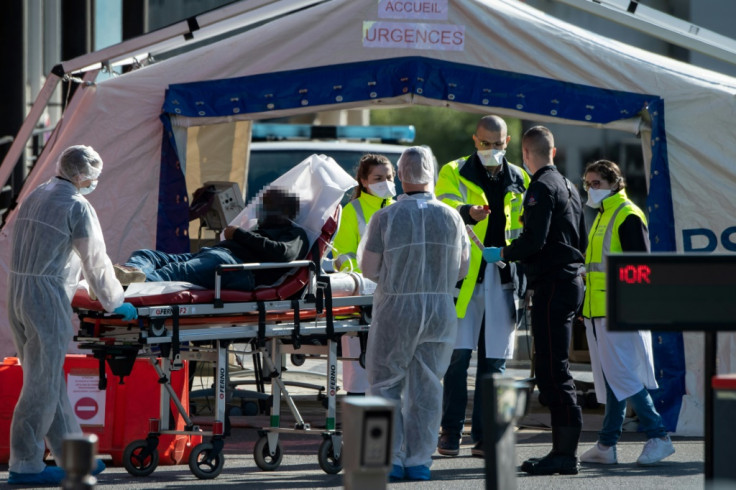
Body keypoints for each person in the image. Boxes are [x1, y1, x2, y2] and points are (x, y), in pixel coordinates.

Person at [7, 145, 137, 486]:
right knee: (42, 384)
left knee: (48, 381)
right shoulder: (77, 206)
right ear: (82, 174)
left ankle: (73, 457)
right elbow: (95, 259)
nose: (95, 181)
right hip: (45, 300)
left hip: (18, 293)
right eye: (93, 175)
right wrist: (114, 301)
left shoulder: (38, 193)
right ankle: (25, 463)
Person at [359, 146, 470, 481]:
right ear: (432, 173)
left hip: (396, 309)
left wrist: (398, 280)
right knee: (427, 386)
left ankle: (387, 459)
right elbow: (462, 268)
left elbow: (368, 268)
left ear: (402, 174)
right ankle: (419, 461)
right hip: (439, 311)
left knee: (384, 384)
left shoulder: (386, 217)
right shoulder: (452, 216)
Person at [484, 126, 587, 475]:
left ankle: (564, 453)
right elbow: (580, 239)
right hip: (570, 281)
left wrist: (503, 253)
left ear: (525, 155)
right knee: (554, 367)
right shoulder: (569, 186)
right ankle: (563, 451)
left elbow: (534, 241)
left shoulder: (540, 187)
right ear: (553, 152)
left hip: (554, 285)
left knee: (552, 370)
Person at [434, 115, 529, 457]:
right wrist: (464, 211)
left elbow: (526, 229)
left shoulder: (520, 177)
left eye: (498, 144)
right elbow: (440, 207)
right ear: (475, 140)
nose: (492, 149)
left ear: (507, 143)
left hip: (504, 277)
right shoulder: (454, 170)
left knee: (495, 364)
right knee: (458, 359)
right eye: (485, 143)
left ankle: (487, 437)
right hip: (464, 278)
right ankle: (451, 431)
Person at [578, 160, 675, 466]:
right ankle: (607, 445)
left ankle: (659, 436)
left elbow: (641, 268)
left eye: (596, 184)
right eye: (587, 184)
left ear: (614, 183)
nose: (590, 190)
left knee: (623, 376)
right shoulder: (604, 215)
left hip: (618, 310)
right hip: (601, 310)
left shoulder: (626, 214)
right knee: (611, 378)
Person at [115, 188, 309, 289]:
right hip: (216, 256)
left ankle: (126, 289)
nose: (265, 210)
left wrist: (238, 234)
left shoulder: (295, 234)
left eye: (271, 205)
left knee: (175, 271)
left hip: (235, 266)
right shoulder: (258, 227)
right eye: (265, 205)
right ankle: (130, 275)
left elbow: (283, 254)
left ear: (288, 212)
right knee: (148, 255)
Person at [332, 154, 395, 396]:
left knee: (388, 372)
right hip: (362, 301)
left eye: (389, 177)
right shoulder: (352, 211)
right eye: (378, 178)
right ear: (363, 181)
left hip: (392, 296)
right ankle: (356, 426)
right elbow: (342, 257)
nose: (386, 182)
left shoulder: (398, 207)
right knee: (359, 374)